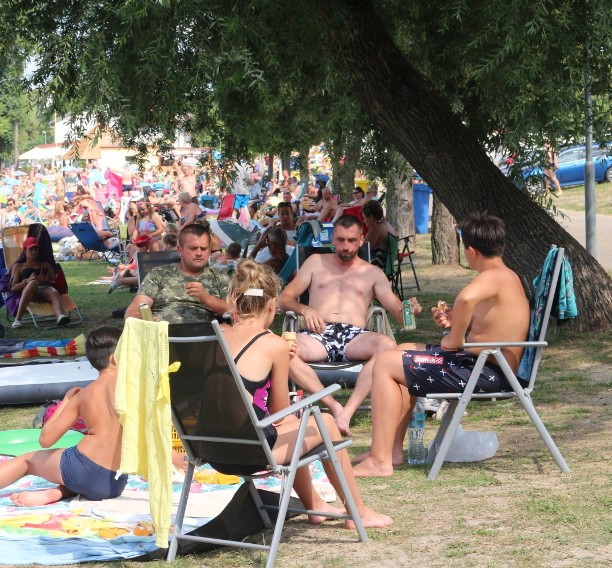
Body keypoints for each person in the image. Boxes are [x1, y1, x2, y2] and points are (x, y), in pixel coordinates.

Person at [354, 212, 528, 477]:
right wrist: (455, 322)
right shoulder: (505, 275)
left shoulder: (492, 277)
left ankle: (380, 461)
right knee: (400, 351)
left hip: (486, 372)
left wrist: (454, 339)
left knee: (386, 364)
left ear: (470, 251)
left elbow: (466, 298)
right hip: (484, 364)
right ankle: (391, 451)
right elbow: (489, 322)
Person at [221, 260, 392, 528]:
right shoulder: (273, 344)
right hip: (250, 453)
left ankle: (315, 505)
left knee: (300, 425)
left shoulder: (216, 335)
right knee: (322, 421)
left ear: (234, 301)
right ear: (271, 305)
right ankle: (358, 511)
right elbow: (278, 414)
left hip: (211, 449)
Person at [0, 326, 127, 508]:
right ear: (115, 358)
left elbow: (46, 439)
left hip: (83, 472)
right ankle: (58, 492)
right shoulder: (135, 389)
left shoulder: (83, 395)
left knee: (27, 460)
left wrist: (66, 401)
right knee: (75, 464)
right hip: (115, 482)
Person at [279, 215, 421, 435]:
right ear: (333, 239)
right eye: (341, 240)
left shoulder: (372, 273)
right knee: (281, 350)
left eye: (351, 240)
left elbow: (399, 313)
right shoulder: (315, 262)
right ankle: (334, 405)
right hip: (318, 333)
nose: (346, 246)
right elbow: (285, 297)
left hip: (354, 336)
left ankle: (347, 412)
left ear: (361, 240)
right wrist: (304, 309)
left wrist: (409, 309)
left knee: (387, 345)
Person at [125, 222, 230, 323]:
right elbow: (135, 309)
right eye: (193, 248)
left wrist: (206, 298)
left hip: (205, 336)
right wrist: (142, 322)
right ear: (180, 250)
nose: (199, 253)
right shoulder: (160, 274)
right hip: (162, 335)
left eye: (203, 249)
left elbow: (234, 310)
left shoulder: (219, 276)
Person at [9, 236, 69, 329]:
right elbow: (13, 287)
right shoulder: (19, 266)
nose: (34, 252)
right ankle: (17, 319)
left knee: (52, 291)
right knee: (33, 283)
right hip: (27, 292)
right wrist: (27, 281)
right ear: (25, 250)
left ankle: (60, 316)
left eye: (36, 249)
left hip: (44, 290)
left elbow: (54, 281)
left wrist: (46, 280)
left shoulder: (45, 265)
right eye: (31, 249)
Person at [361, 201, 398, 269]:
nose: (364, 221)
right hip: (386, 268)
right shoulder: (387, 225)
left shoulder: (376, 229)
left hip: (376, 269)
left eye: (364, 218)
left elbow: (363, 250)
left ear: (371, 217)